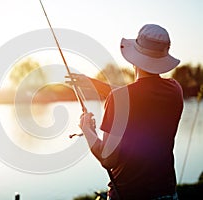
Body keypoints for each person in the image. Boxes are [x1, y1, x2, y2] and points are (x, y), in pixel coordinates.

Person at [76, 24, 184, 199]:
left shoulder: (119, 99)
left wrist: (87, 130)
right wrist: (95, 84)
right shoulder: (175, 89)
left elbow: (108, 160)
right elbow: (141, 95)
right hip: (167, 193)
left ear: (134, 59)